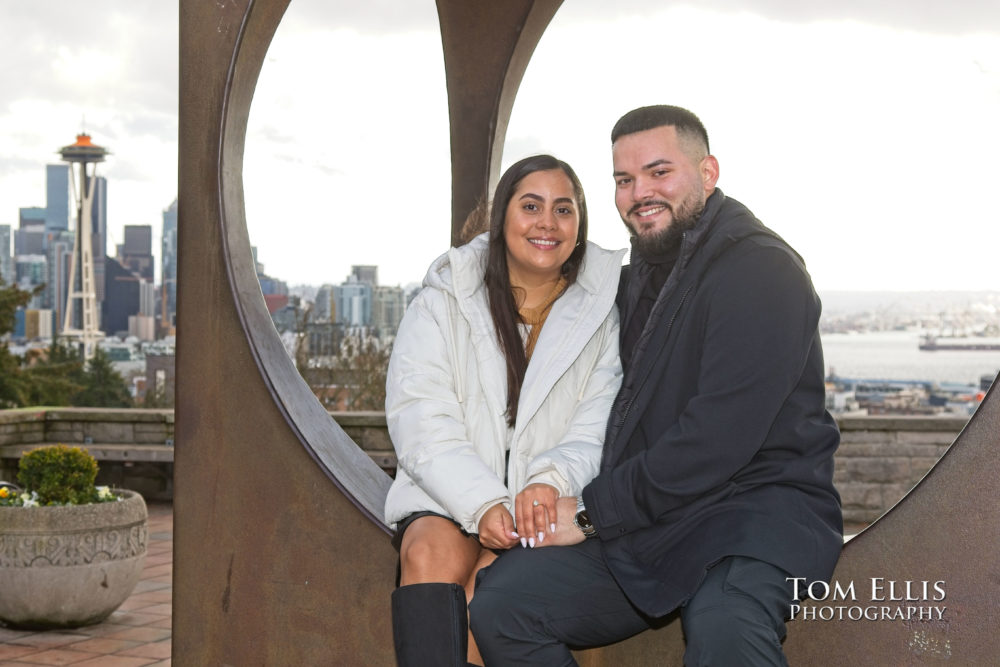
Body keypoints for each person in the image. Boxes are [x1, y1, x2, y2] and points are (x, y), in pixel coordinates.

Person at [469, 105, 843, 665]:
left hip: (753, 513)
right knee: (504, 601)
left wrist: (592, 513)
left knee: (725, 625)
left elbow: (716, 441)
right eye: (624, 179)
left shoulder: (762, 272)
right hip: (659, 521)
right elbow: (543, 286)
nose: (639, 192)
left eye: (659, 172)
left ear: (708, 173)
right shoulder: (640, 270)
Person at [384, 154, 626, 666]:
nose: (547, 223)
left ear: (579, 228)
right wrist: (482, 502)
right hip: (448, 495)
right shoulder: (443, 301)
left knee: (485, 594)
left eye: (564, 210)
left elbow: (597, 428)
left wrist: (547, 482)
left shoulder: (604, 316)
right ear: (502, 219)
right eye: (531, 205)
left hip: (540, 505)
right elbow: (421, 419)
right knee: (428, 555)